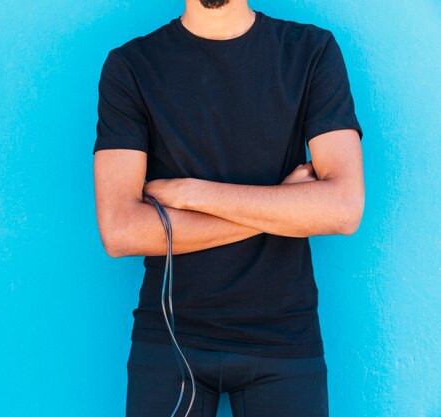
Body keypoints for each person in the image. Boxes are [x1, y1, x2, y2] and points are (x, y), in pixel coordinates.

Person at [92, 0, 365, 416]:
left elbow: (343, 208)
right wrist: (281, 204)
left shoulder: (311, 50)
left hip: (284, 339)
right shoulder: (130, 66)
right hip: (170, 339)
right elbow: (121, 231)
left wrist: (193, 192)